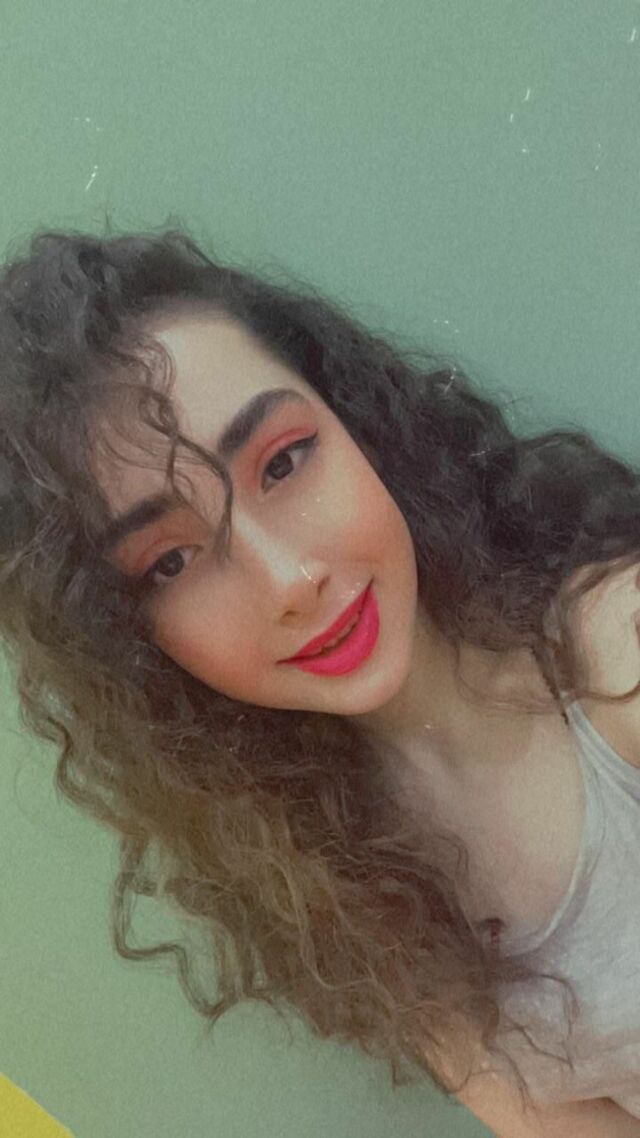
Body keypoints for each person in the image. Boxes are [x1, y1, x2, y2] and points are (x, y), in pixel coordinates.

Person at [0, 224, 639, 1136]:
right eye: (171, 561)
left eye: (284, 462)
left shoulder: (618, 652)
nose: (289, 580)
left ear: (359, 425)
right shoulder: (340, 883)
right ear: (134, 643)